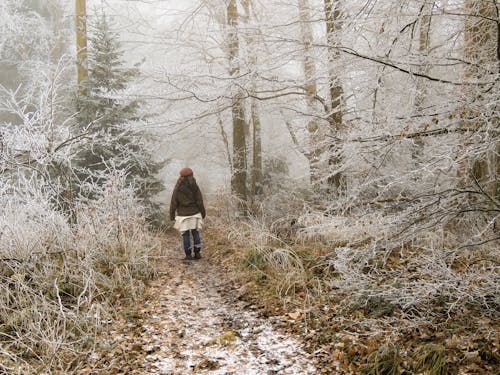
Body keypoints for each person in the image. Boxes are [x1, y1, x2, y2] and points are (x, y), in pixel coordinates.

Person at [170, 167, 206, 260]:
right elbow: (199, 201)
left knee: (185, 234)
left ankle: (188, 255)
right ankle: (197, 253)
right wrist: (203, 212)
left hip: (183, 215)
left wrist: (172, 215)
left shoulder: (177, 187)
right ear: (191, 175)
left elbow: (174, 201)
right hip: (195, 212)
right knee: (195, 232)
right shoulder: (194, 186)